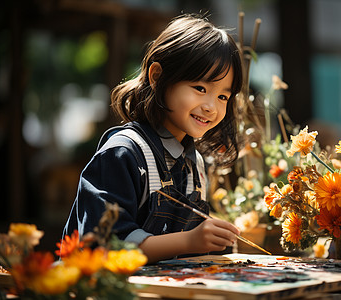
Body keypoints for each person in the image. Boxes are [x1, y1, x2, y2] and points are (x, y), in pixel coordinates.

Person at [62, 14, 243, 263]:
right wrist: (190, 240)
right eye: (200, 89)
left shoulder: (196, 166)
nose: (212, 107)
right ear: (157, 76)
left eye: (223, 96)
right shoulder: (122, 153)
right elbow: (104, 247)